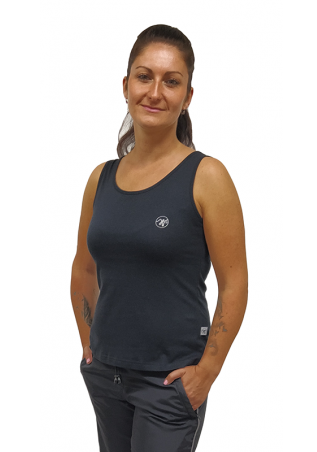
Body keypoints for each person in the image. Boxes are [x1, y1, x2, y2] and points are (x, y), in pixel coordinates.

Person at [70, 24, 248, 452]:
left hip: (169, 383)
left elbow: (235, 283)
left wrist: (206, 372)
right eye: (144, 76)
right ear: (125, 86)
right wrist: (89, 344)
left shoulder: (207, 176)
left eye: (171, 81)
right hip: (106, 376)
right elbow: (84, 269)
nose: (155, 92)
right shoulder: (100, 178)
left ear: (187, 97)